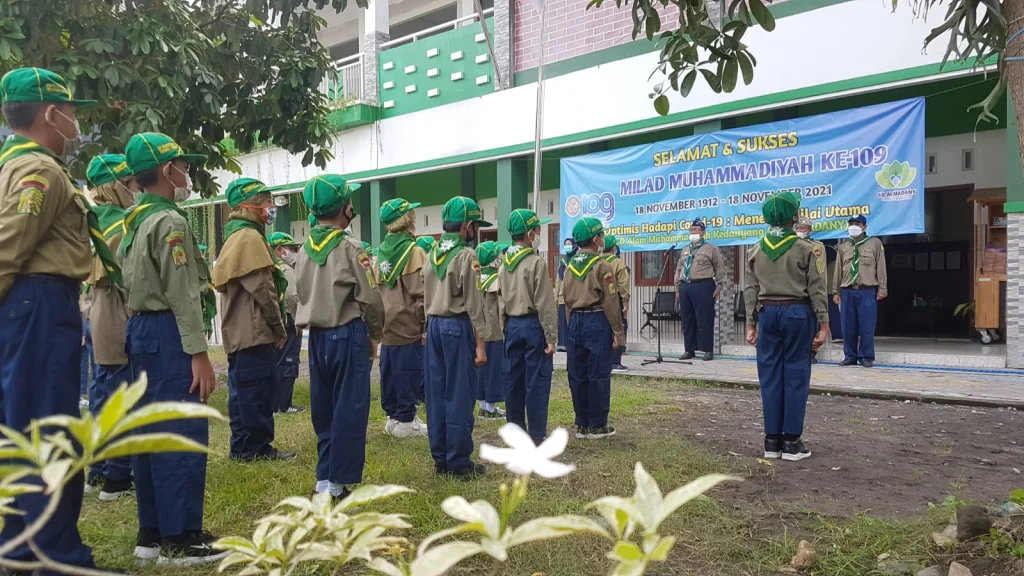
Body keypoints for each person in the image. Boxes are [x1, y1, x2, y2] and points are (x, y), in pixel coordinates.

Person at [0, 66, 117, 571]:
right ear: (52, 114)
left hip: (30, 306)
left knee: (23, 428)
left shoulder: (14, 165)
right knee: (47, 431)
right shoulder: (40, 172)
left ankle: (21, 546)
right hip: (38, 304)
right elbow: (8, 246)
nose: (75, 122)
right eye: (71, 112)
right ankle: (55, 557)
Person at [121, 132, 225, 564]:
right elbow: (181, 293)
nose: (186, 173)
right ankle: (181, 538)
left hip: (140, 331)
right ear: (167, 170)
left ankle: (152, 532)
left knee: (149, 430)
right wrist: (199, 354)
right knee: (181, 430)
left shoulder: (134, 221)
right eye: (183, 166)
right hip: (168, 332)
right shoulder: (170, 221)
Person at [295, 174, 384, 500]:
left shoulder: (304, 251)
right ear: (345, 208)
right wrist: (375, 334)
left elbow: (297, 294)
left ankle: (323, 479)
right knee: (349, 408)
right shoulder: (351, 248)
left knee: (324, 408)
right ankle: (337, 486)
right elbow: (371, 299)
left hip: (317, 338)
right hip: (347, 335)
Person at [212, 178, 294, 462]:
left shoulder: (235, 235)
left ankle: (243, 447)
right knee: (256, 391)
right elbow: (264, 289)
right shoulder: (248, 237)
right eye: (267, 203)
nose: (271, 208)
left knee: (242, 392)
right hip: (254, 329)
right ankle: (257, 449)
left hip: (241, 331)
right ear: (249, 206)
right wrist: (278, 326)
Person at [742, 191, 828, 462]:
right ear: (795, 217)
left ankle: (772, 441)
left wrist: (750, 323)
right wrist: (824, 324)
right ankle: (791, 442)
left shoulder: (755, 249)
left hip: (767, 314)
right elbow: (817, 288)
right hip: (797, 313)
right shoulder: (806, 248)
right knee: (796, 373)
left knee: (769, 375)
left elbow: (750, 290)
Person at [423, 196, 490, 479]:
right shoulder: (466, 255)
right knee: (459, 395)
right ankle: (459, 463)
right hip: (457, 326)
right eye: (475, 226)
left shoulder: (432, 252)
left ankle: (441, 459)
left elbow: (425, 295)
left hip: (434, 326)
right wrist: (481, 344)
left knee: (437, 395)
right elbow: (474, 303)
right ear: (467, 226)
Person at [85, 152, 136, 502]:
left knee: (102, 395)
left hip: (96, 315)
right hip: (119, 314)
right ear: (114, 186)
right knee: (120, 397)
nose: (136, 189)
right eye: (130, 183)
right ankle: (117, 478)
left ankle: (98, 470)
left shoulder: (93, 220)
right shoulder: (121, 224)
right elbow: (131, 280)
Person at [498, 209, 558, 445]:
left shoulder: (504, 264)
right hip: (533, 325)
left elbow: (500, 301)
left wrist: (505, 328)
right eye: (538, 230)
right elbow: (545, 302)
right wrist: (551, 337)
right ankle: (536, 434)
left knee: (513, 381)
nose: (539, 234)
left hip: (512, 325)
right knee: (536, 381)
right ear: (530, 234)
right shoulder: (535, 263)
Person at [563, 217, 625, 440]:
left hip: (575, 320)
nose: (603, 239)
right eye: (601, 235)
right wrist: (618, 333)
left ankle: (582, 424)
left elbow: (566, 299)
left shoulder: (569, 266)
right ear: (596, 239)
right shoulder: (601, 266)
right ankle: (597, 425)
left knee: (577, 374)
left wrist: (570, 325)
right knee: (598, 373)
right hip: (596, 320)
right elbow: (611, 301)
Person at [376, 198, 428, 438]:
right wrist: (424, 323)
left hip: (386, 321)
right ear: (407, 219)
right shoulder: (413, 251)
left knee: (389, 369)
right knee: (408, 370)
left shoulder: (382, 250)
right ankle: (406, 421)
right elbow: (420, 291)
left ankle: (393, 417)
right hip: (407, 322)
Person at [833, 215, 887, 368]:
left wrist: (883, 288)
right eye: (851, 224)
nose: (853, 227)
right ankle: (850, 356)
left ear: (864, 227)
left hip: (867, 291)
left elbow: (881, 267)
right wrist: (835, 291)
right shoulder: (844, 247)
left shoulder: (875, 243)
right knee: (847, 326)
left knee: (867, 326)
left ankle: (866, 356)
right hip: (847, 291)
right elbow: (838, 270)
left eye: (857, 224)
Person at [674, 219, 725, 361]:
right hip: (685, 287)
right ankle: (689, 349)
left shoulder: (711, 249)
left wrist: (719, 286)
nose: (693, 232)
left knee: (705, 319)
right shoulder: (685, 250)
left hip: (703, 285)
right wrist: (677, 288)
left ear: (703, 232)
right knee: (687, 319)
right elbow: (679, 269)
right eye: (692, 229)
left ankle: (708, 350)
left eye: (697, 229)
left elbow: (720, 269)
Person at [268, 231, 306, 415]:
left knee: (276, 361)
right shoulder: (284, 269)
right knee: (288, 361)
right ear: (279, 250)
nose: (296, 252)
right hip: (289, 319)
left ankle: (274, 402)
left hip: (275, 320)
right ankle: (284, 404)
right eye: (293, 249)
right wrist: (298, 319)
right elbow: (291, 296)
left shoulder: (267, 266)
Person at [476, 240, 506, 419]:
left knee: (481, 369)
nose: (501, 257)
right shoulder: (496, 279)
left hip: (478, 330)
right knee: (494, 368)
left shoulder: (476, 277)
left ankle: (482, 405)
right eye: (499, 254)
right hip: (494, 331)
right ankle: (490, 407)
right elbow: (501, 306)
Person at [795, 217, 826, 365]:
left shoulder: (817, 247)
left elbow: (821, 269)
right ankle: (799, 352)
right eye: (798, 228)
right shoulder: (791, 245)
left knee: (813, 322)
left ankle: (812, 352)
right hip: (796, 289)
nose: (800, 231)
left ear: (809, 230)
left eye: (803, 228)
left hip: (812, 288)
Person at [602, 235, 631, 372]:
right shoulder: (618, 262)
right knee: (618, 327)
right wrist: (625, 301)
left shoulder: (597, 262)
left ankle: (604, 361)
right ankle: (615, 362)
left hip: (600, 300)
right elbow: (623, 284)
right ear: (614, 248)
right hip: (615, 298)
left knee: (603, 328)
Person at [555, 238, 576, 352]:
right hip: (562, 297)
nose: (567, 246)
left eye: (569, 244)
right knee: (562, 320)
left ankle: (570, 343)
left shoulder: (576, 260)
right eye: (565, 244)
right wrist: (556, 295)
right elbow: (558, 279)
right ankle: (562, 343)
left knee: (571, 320)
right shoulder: (563, 262)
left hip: (573, 296)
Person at [80, 284, 95, 408]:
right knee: (84, 361)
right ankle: (81, 394)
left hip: (89, 321)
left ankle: (83, 395)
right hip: (88, 322)